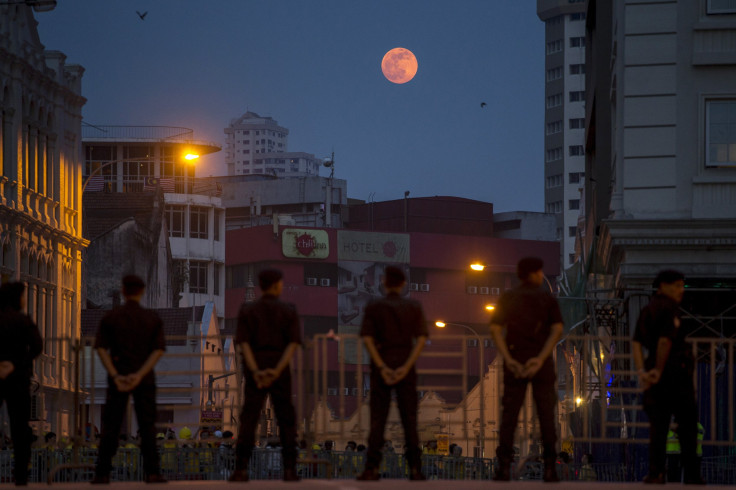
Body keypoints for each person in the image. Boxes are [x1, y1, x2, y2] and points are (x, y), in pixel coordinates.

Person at [489, 257, 563, 482]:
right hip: (540, 363)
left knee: (509, 415)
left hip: (515, 360)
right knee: (546, 415)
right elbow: (557, 329)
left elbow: (495, 329)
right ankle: (550, 468)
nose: (541, 276)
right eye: (539, 272)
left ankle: (503, 467)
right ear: (534, 274)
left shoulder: (509, 298)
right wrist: (540, 359)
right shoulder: (547, 298)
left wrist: (509, 359)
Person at [91, 275, 167, 484]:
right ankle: (152, 472)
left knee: (111, 425)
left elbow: (100, 348)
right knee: (148, 425)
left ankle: (102, 472)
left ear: (123, 291)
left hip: (118, 376)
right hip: (144, 378)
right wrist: (140, 374)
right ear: (142, 291)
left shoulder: (111, 317)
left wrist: (116, 375)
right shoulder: (151, 318)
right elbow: (158, 351)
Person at [633, 269, 704, 485]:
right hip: (675, 375)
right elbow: (665, 341)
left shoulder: (647, 310)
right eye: (677, 285)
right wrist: (659, 369)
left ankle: (656, 472)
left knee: (659, 427)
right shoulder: (669, 309)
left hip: (655, 378)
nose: (680, 290)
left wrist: (642, 372)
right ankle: (692, 475)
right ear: (663, 286)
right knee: (687, 425)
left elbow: (636, 343)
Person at [229, 269, 301, 483]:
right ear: (278, 285)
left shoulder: (248, 310)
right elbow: (292, 344)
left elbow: (243, 344)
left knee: (248, 419)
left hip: (255, 370)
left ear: (260, 286)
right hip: (280, 369)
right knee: (286, 419)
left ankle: (240, 469)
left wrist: (257, 370)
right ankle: (289, 470)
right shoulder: (288, 310)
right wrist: (277, 370)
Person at [357, 266, 428, 481]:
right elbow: (421, 339)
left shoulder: (375, 306)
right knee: (409, 419)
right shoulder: (413, 306)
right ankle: (415, 469)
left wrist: (382, 366)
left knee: (378, 418)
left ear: (384, 282)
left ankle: (372, 469)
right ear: (403, 283)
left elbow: (368, 339)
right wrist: (406, 367)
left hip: (382, 365)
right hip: (406, 365)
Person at [0, 281, 43, 486]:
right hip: (18, 378)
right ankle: (21, 475)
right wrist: (16, 365)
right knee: (19, 427)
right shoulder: (23, 321)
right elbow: (36, 346)